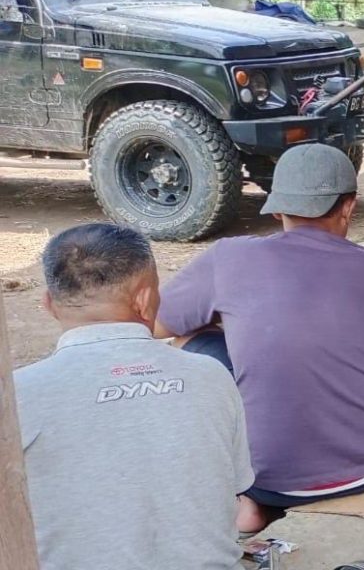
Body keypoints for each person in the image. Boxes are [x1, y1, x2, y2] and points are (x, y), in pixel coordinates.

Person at [155, 144, 364, 533]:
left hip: (267, 480)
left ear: (276, 208)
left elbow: (158, 326)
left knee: (189, 343)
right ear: (349, 207)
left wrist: (239, 330)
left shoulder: (228, 258)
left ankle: (248, 499)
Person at [14, 223, 252, 569]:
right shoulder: (211, 375)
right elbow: (235, 486)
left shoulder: (19, 394)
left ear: (49, 304)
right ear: (144, 299)